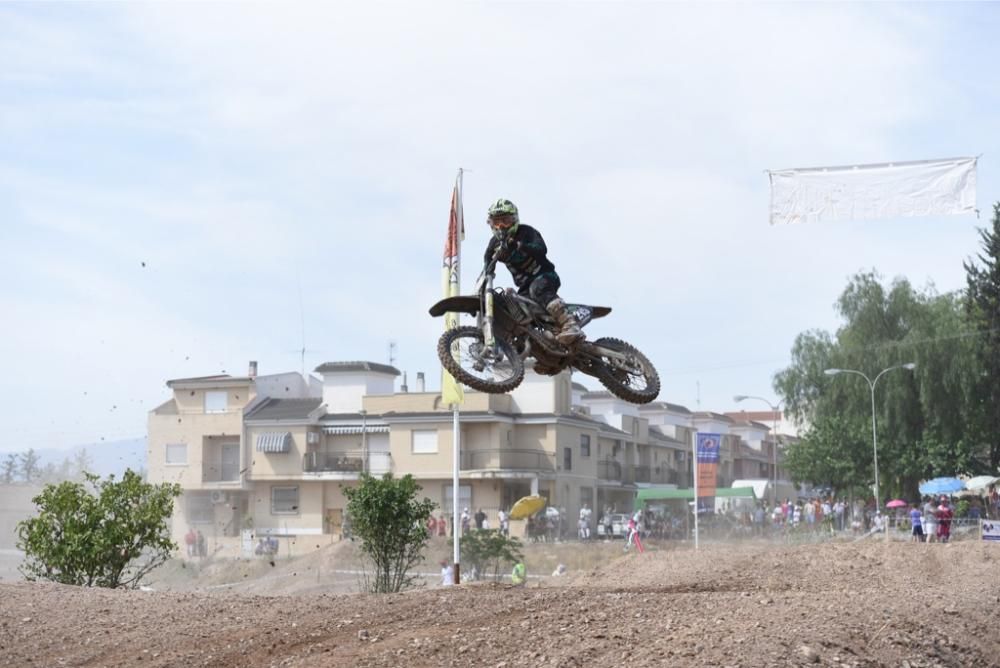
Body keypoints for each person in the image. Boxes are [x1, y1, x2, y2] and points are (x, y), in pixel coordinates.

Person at [483, 198, 583, 347]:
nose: (501, 226)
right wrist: (486, 276)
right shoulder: (494, 243)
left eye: (505, 221)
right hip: (524, 287)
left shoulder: (527, 232)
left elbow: (542, 250)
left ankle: (570, 323)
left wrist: (519, 245)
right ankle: (531, 346)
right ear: (491, 224)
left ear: (514, 219)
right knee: (514, 308)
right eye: (497, 222)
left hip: (545, 275)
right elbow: (487, 262)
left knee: (538, 289)